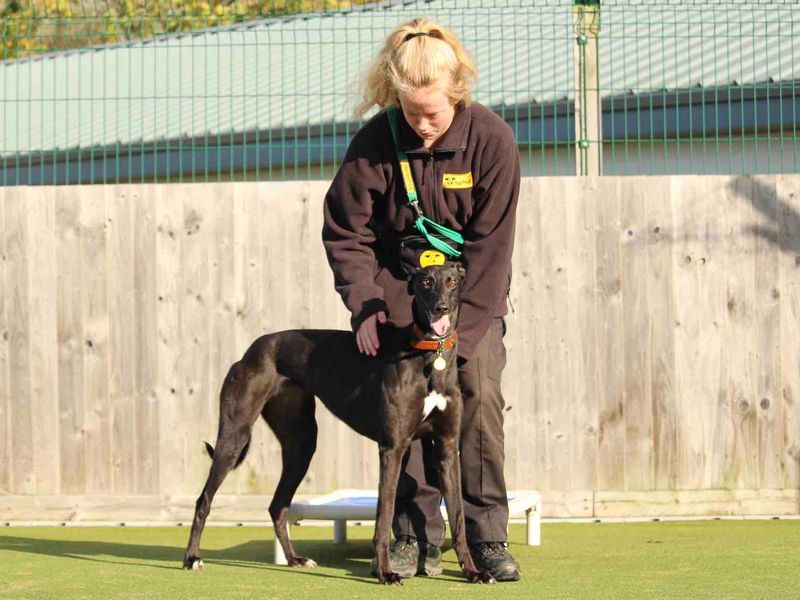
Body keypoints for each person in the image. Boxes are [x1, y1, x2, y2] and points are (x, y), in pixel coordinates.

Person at [321, 17, 521, 582]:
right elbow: (346, 229)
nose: (423, 125)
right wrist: (366, 304)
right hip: (398, 291)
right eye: (412, 114)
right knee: (402, 406)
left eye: (432, 113)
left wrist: (464, 334)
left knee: (476, 391)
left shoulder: (491, 141)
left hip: (467, 295)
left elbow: (491, 248)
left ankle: (485, 539)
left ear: (457, 93)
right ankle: (411, 536)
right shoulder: (376, 142)